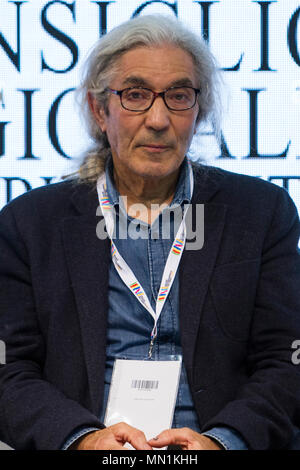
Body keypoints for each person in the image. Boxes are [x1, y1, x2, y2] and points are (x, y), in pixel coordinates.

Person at [0, 14, 300, 451]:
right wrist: (81, 440)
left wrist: (223, 442)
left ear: (199, 112)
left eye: (179, 96)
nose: (158, 118)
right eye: (136, 95)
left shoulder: (261, 213)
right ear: (99, 110)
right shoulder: (28, 225)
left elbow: (286, 360)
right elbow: (11, 369)